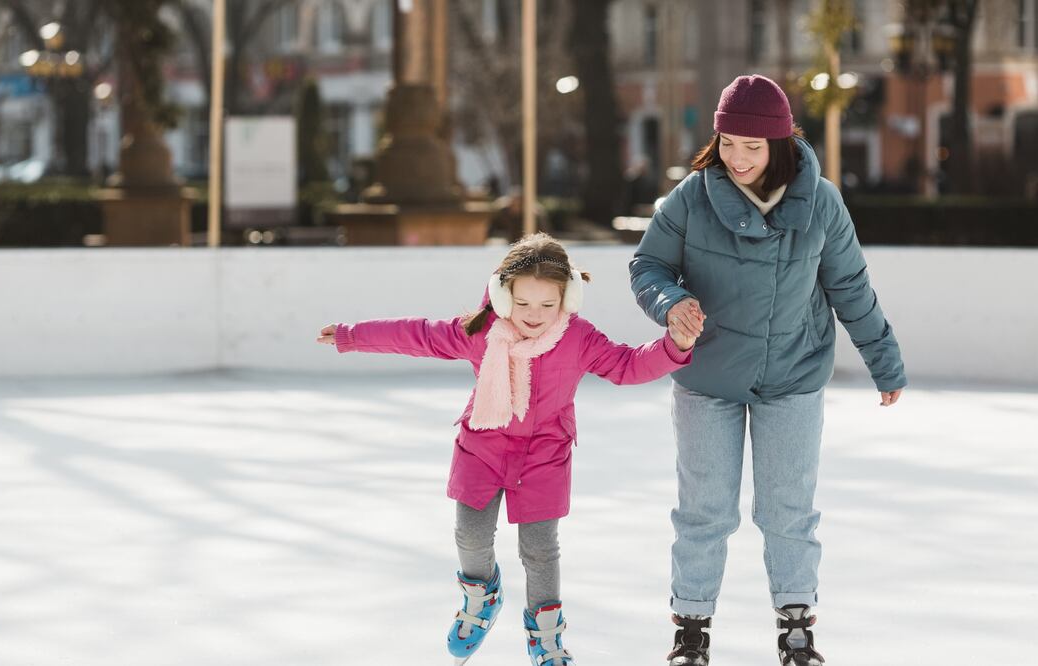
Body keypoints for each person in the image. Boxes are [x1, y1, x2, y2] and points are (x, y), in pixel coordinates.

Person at [318, 233, 702, 666]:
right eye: (522, 303)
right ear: (503, 296)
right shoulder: (481, 331)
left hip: (545, 455)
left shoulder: (578, 337)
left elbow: (627, 365)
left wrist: (675, 346)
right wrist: (352, 335)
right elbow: (419, 335)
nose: (534, 315)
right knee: (470, 535)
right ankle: (482, 596)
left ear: (567, 298)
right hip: (482, 445)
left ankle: (546, 637)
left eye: (547, 304)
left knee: (539, 550)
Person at [629, 75, 907, 666]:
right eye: (728, 143)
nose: (737, 157)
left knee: (788, 509)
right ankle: (691, 630)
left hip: (792, 375)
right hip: (708, 376)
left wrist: (883, 361)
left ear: (779, 143)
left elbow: (850, 287)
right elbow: (648, 265)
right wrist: (670, 302)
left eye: (752, 147)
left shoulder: (821, 201)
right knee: (704, 510)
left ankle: (796, 628)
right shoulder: (692, 197)